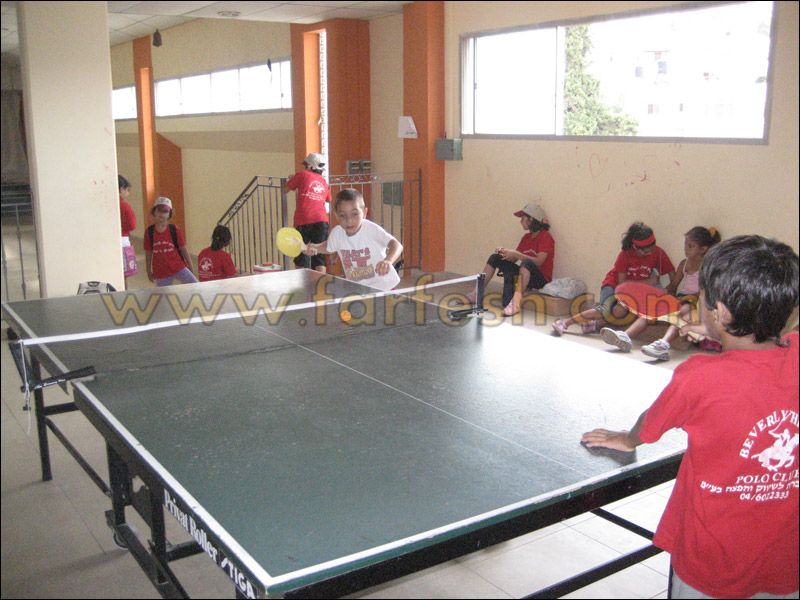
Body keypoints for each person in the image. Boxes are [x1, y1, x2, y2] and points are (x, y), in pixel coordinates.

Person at [581, 235, 799, 600]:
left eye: (703, 299)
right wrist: (717, 329)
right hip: (784, 560)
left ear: (721, 312)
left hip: (709, 563)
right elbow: (776, 343)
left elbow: (652, 424)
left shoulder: (698, 377)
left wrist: (627, 438)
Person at [599, 226, 722, 356]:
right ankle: (625, 336)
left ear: (703, 249)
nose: (686, 249)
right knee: (653, 309)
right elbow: (673, 285)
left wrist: (689, 300)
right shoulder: (684, 264)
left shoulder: (707, 267)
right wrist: (664, 295)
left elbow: (706, 291)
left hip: (695, 300)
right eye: (685, 245)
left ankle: (663, 344)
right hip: (682, 297)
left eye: (690, 246)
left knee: (682, 313)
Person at [552, 222, 675, 338]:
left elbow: (671, 272)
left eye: (652, 249)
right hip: (613, 285)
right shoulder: (625, 255)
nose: (649, 253)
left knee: (619, 311)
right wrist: (647, 282)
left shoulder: (657, 252)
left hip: (633, 291)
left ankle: (594, 325)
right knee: (605, 310)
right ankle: (564, 323)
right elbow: (622, 284)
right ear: (635, 247)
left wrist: (671, 289)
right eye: (646, 251)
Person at [304, 188, 403, 291]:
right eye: (342, 215)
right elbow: (329, 246)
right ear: (336, 215)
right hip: (358, 288)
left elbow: (396, 245)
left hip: (384, 286)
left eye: (355, 214)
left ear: (364, 212)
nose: (349, 220)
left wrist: (388, 261)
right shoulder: (337, 233)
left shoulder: (371, 229)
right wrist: (315, 247)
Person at [469, 202, 555, 317]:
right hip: (525, 274)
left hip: (540, 279)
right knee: (495, 258)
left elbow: (539, 262)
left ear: (530, 220)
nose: (520, 222)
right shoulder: (526, 238)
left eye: (522, 219)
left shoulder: (545, 236)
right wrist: (505, 253)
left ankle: (515, 303)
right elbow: (514, 259)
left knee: (527, 263)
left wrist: (517, 254)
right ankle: (476, 293)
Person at [287, 153, 331, 273]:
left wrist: (292, 180)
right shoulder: (323, 181)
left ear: (309, 166)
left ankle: (301, 282)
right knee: (319, 255)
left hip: (303, 219)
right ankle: (321, 283)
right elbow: (329, 199)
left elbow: (285, 189)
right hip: (321, 219)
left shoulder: (302, 174)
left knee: (301, 253)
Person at [144, 196, 198, 286]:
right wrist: (148, 270)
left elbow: (183, 249)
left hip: (178, 267)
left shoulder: (174, 230)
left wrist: (190, 265)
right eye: (159, 210)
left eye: (165, 211)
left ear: (170, 214)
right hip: (161, 271)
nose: (162, 214)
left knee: (195, 285)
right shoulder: (149, 232)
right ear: (154, 212)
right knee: (162, 294)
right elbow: (148, 253)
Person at [119, 174, 138, 287]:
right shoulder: (125, 206)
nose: (128, 193)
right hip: (123, 240)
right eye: (127, 190)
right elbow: (132, 225)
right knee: (124, 273)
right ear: (122, 189)